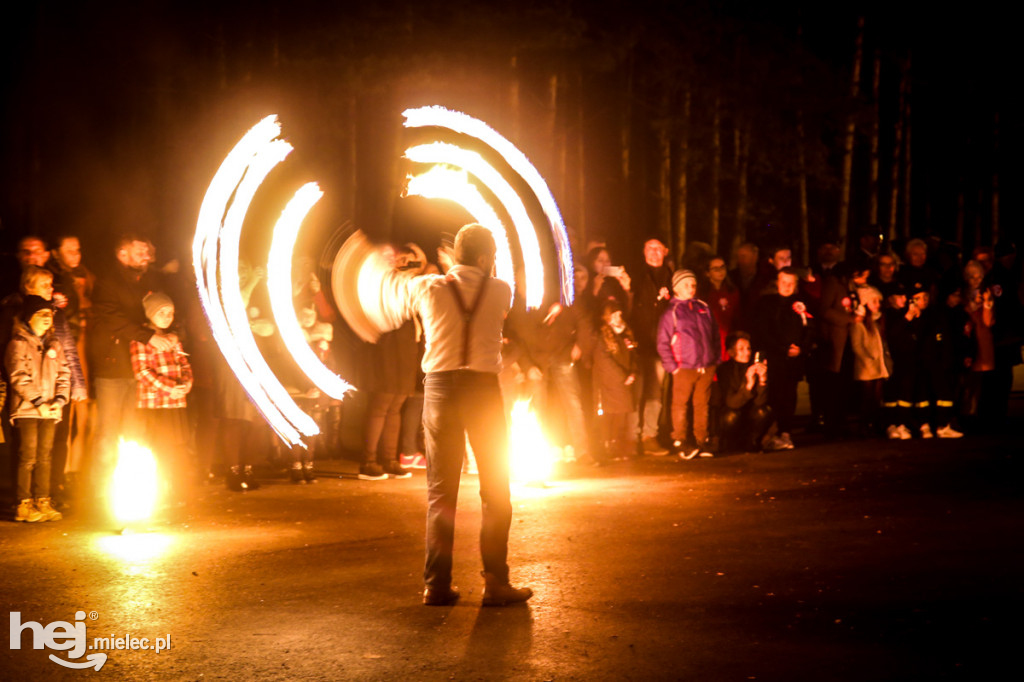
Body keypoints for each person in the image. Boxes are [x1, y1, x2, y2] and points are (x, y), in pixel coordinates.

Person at [363, 224, 532, 607]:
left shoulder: (428, 287)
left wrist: (380, 265)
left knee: (441, 494)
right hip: (483, 392)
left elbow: (387, 298)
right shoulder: (501, 289)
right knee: (495, 489)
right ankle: (495, 583)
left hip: (439, 390)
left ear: (455, 256)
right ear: (487, 258)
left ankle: (436, 585)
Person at [88, 235, 168, 496]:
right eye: (140, 250)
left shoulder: (148, 281)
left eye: (148, 250)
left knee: (135, 429)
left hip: (139, 368)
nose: (146, 255)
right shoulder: (107, 283)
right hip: (112, 367)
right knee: (108, 431)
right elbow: (111, 318)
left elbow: (160, 312)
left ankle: (131, 489)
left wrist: (169, 331)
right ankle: (102, 490)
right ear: (122, 254)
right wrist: (149, 336)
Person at [6, 296, 71, 522]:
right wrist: (38, 403)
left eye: (49, 314)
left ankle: (42, 499)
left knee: (45, 456)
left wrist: (59, 400)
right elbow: (18, 376)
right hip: (28, 410)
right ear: (29, 317)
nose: (47, 318)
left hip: (50, 410)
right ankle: (23, 503)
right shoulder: (18, 343)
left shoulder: (55, 345)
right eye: (41, 314)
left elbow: (64, 374)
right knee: (28, 457)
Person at [130, 292, 193, 504]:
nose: (167, 317)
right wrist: (168, 388)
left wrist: (186, 383)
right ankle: (154, 492)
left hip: (175, 404)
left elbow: (184, 364)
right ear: (150, 314)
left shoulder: (173, 339)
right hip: (154, 405)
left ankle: (173, 490)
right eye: (162, 312)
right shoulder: (142, 340)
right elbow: (142, 372)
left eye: (170, 313)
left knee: (176, 448)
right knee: (157, 447)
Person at [657, 269, 718, 459]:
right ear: (676, 288)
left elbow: (714, 334)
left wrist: (714, 359)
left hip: (706, 365)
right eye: (685, 285)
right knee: (680, 404)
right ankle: (680, 440)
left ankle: (702, 440)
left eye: (693, 285)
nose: (690, 288)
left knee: (702, 404)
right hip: (684, 366)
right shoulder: (672, 312)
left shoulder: (703, 307)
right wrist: (672, 367)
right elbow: (662, 341)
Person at [752, 268, 812, 449]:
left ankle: (786, 433)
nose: (787, 286)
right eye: (783, 282)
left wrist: (801, 348)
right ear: (777, 282)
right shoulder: (766, 303)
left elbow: (810, 328)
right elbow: (763, 331)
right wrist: (781, 349)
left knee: (789, 395)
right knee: (773, 395)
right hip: (774, 357)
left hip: (793, 360)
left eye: (791, 283)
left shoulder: (802, 303)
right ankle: (770, 433)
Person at [629, 238, 672, 455]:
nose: (654, 253)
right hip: (637, 343)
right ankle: (631, 437)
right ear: (643, 251)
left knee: (655, 391)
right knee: (636, 391)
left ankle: (650, 435)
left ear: (665, 251)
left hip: (660, 345)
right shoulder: (636, 275)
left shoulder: (672, 278)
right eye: (649, 248)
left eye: (658, 249)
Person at [590, 301, 637, 463]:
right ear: (608, 318)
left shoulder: (625, 333)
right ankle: (607, 445)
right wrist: (622, 376)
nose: (618, 318)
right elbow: (604, 361)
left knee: (622, 413)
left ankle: (617, 445)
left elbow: (633, 354)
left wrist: (633, 372)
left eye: (619, 314)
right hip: (609, 382)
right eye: (614, 315)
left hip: (624, 382)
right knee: (610, 414)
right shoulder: (603, 336)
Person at [713, 332, 776, 453]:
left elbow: (760, 402)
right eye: (741, 349)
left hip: (750, 414)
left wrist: (762, 380)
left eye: (748, 348)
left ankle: (753, 442)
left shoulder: (755, 366)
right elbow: (731, 403)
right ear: (731, 352)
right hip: (733, 414)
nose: (747, 352)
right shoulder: (724, 369)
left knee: (763, 411)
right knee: (730, 416)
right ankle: (729, 444)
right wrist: (748, 385)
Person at [848, 286, 889, 436]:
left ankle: (875, 424)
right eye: (873, 301)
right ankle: (865, 426)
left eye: (879, 301)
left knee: (877, 398)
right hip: (867, 367)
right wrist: (868, 360)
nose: (877, 304)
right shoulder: (859, 324)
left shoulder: (877, 321)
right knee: (867, 398)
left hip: (877, 366)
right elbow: (857, 346)